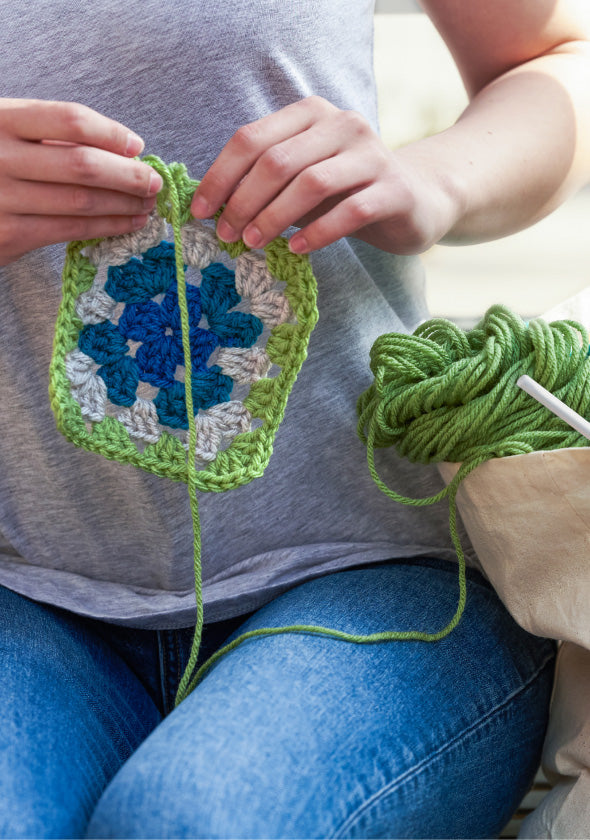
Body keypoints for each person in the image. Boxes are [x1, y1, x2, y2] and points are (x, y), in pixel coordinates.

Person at [0, 1, 589, 837]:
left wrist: (433, 178)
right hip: (25, 586)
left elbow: (559, 58)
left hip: (380, 574)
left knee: (187, 826)